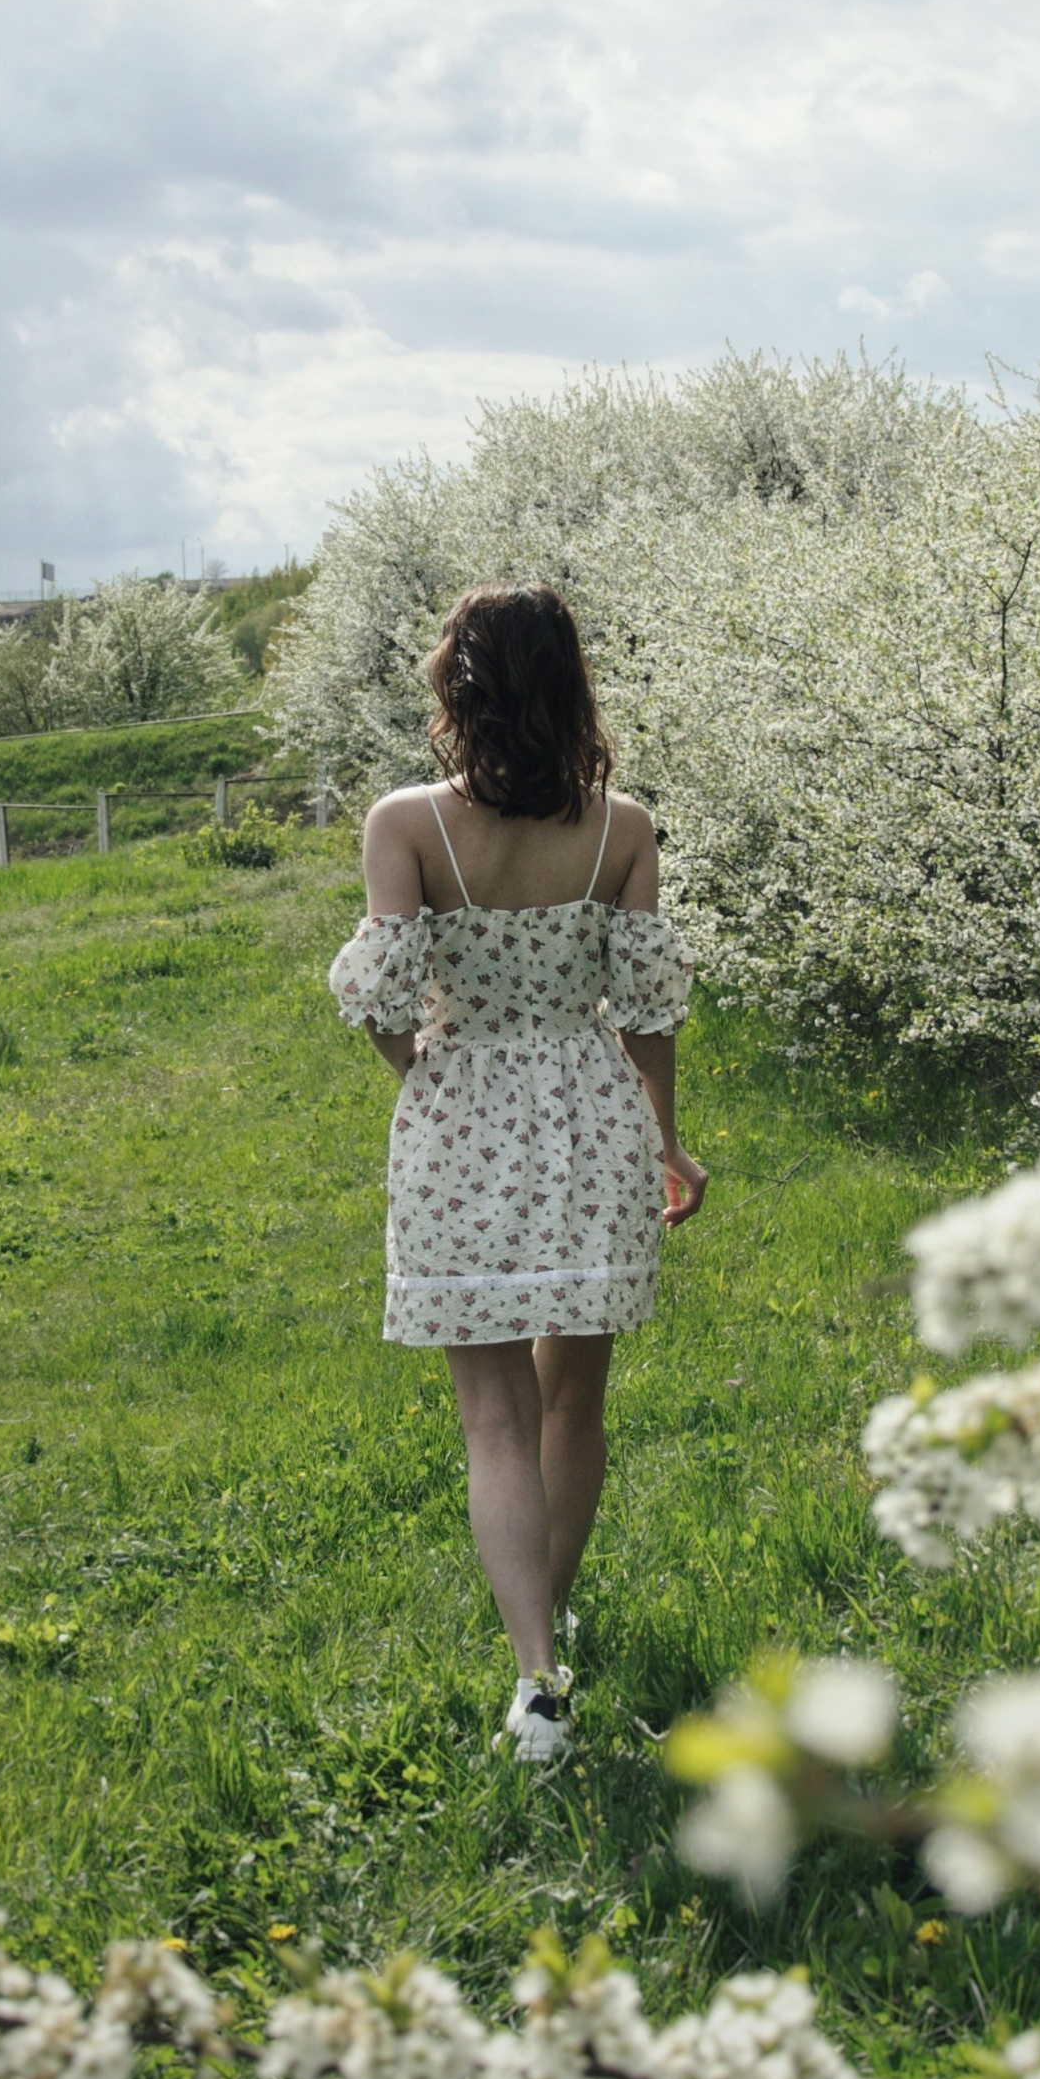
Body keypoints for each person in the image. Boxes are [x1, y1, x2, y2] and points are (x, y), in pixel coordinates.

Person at [328, 582, 707, 1762]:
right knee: (571, 1400)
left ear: (459, 686)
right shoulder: (622, 825)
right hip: (593, 1116)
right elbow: (647, 1011)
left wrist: (417, 1063)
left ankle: (536, 1672)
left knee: (492, 1418)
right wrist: (667, 1139)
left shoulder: (406, 822)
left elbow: (382, 997)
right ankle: (546, 1630)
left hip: (461, 1112)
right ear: (570, 686)